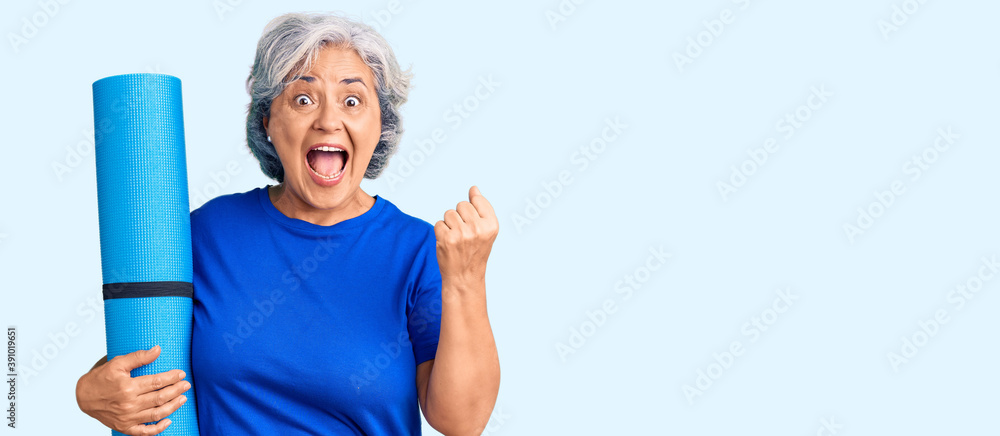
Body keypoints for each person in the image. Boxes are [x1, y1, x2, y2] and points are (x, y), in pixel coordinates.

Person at [76, 12, 500, 435]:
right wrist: (90, 392)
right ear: (267, 122)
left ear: (380, 126)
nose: (329, 120)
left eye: (352, 101)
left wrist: (467, 279)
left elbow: (461, 422)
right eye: (303, 99)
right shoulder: (207, 234)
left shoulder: (417, 250)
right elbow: (149, 355)